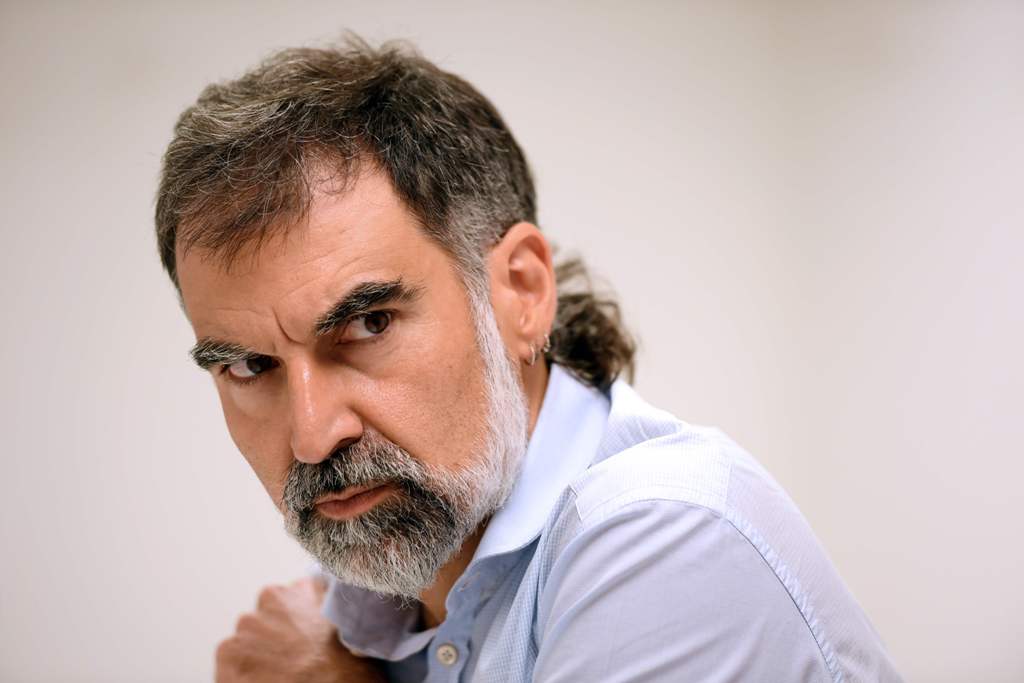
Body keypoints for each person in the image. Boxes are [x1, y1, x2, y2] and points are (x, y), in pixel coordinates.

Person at [156, 39, 902, 683]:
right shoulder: (368, 590)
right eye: (250, 367)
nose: (313, 435)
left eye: (368, 323)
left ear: (520, 291)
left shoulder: (667, 534)